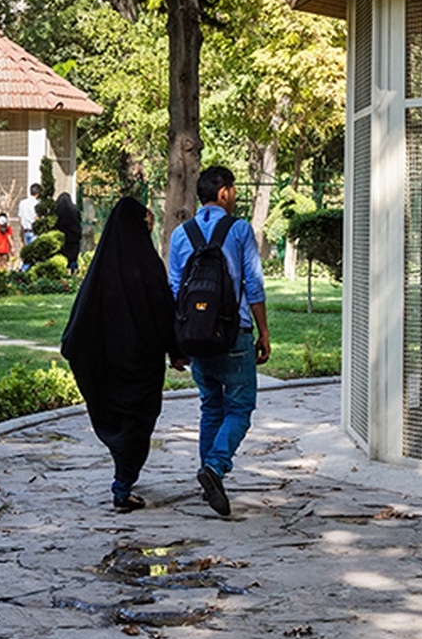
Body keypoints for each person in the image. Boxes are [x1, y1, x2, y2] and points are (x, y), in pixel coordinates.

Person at [60, 195, 180, 512]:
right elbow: (163, 312)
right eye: (147, 223)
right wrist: (177, 351)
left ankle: (123, 474)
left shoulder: (101, 269)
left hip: (110, 362)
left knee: (121, 421)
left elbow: (80, 320)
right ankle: (122, 487)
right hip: (142, 362)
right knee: (138, 422)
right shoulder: (148, 266)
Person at [167, 165, 269, 518]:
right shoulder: (239, 229)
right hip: (234, 334)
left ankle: (208, 479)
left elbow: (175, 292)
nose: (236, 195)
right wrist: (264, 333)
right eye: (234, 189)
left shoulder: (181, 234)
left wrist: (176, 343)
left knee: (211, 406)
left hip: (195, 335)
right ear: (223, 192)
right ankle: (214, 468)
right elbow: (253, 285)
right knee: (240, 408)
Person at [54, 191, 82, 274]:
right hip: (73, 239)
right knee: (73, 259)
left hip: (61, 239)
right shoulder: (74, 209)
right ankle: (75, 274)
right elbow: (78, 221)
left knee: (61, 258)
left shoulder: (56, 210)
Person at [18, 183, 41, 248]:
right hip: (34, 231)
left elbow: (20, 218)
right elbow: (37, 218)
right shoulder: (37, 203)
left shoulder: (22, 203)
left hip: (25, 231)